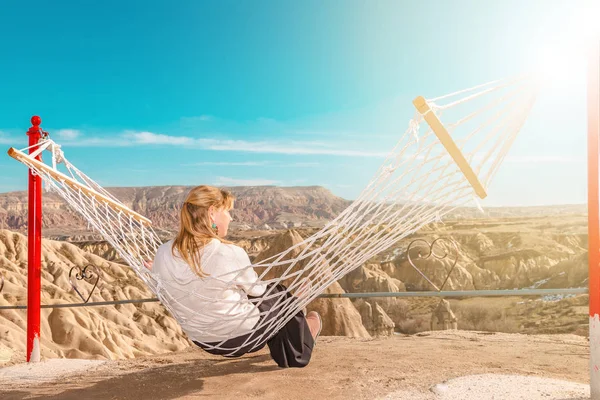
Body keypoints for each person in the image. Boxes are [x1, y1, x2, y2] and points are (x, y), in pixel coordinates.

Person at [150, 185, 322, 368]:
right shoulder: (229, 252)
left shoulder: (162, 252)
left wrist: (155, 269)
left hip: (201, 338)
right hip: (240, 338)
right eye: (228, 211)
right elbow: (258, 290)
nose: (231, 218)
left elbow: (165, 287)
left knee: (270, 301)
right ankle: (302, 333)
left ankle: (294, 312)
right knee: (278, 294)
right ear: (212, 213)